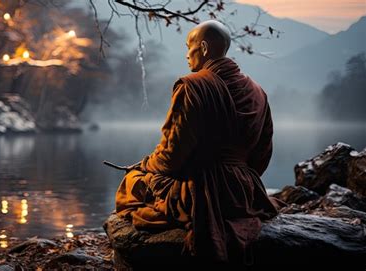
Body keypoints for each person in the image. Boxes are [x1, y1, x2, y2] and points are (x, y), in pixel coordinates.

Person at [114, 20, 279, 264]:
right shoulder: (258, 91)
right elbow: (262, 154)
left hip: (202, 191)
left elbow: (171, 157)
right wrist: (240, 178)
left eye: (188, 46)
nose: (186, 54)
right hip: (245, 192)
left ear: (202, 47)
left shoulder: (192, 86)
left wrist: (145, 165)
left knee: (133, 182)